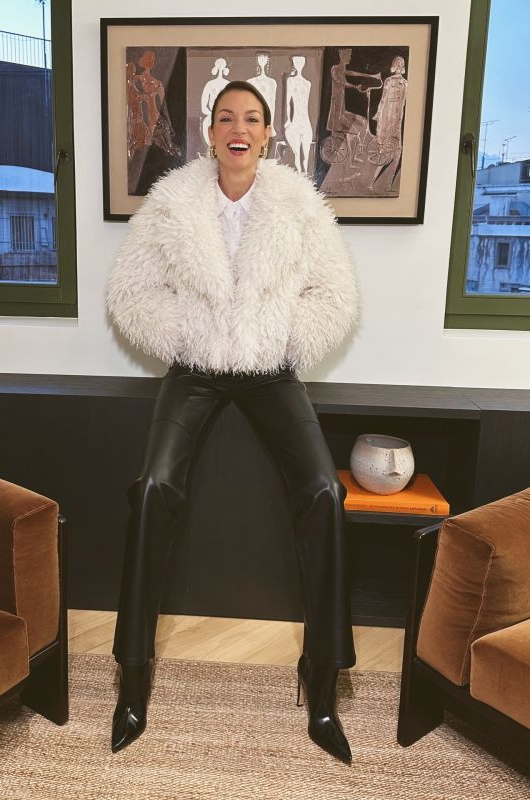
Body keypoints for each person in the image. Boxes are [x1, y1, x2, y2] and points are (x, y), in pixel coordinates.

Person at [106, 81, 360, 763]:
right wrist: (188, 336)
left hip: (270, 370)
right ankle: (133, 675)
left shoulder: (299, 205)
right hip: (195, 368)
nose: (238, 128)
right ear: (210, 131)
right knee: (153, 487)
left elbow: (334, 296)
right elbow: (131, 292)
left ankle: (323, 679)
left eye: (251, 118)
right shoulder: (172, 203)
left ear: (268, 132)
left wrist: (282, 342)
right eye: (226, 118)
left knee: (325, 492)